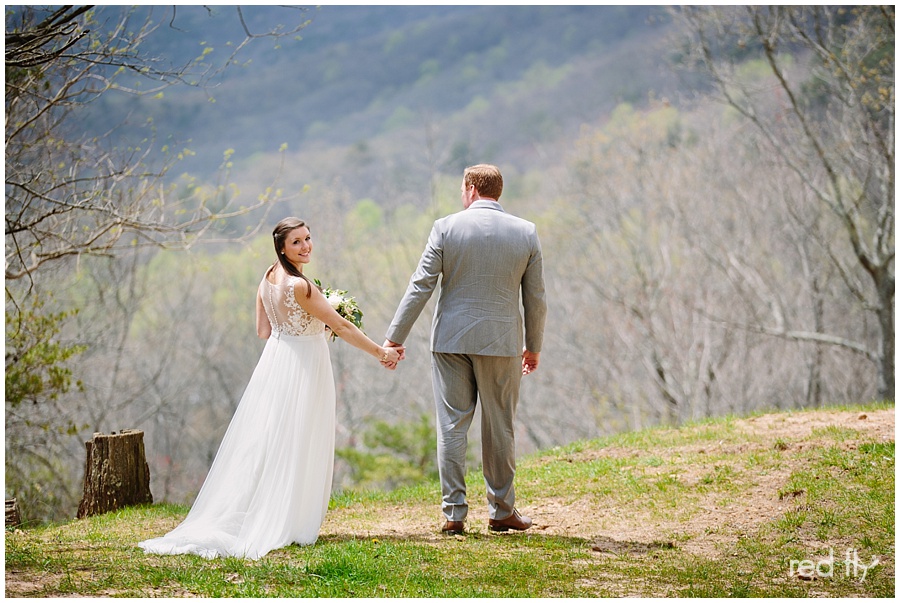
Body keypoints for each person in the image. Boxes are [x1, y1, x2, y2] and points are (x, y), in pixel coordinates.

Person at [139, 217, 402, 560]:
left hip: (276, 362)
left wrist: (303, 325)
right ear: (282, 247)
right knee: (299, 437)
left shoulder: (267, 277)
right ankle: (288, 519)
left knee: (274, 437)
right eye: (297, 242)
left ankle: (273, 511)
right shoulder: (299, 286)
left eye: (308, 238)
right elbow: (338, 324)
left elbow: (264, 330)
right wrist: (380, 352)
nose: (306, 246)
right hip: (304, 365)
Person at [384, 164, 547, 535]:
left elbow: (420, 285)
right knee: (500, 426)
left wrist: (395, 336)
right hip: (502, 342)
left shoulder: (445, 227)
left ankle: (454, 514)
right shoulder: (526, 232)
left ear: (472, 189)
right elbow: (535, 298)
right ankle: (502, 509)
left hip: (450, 342)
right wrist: (533, 346)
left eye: (462, 186)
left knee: (452, 425)